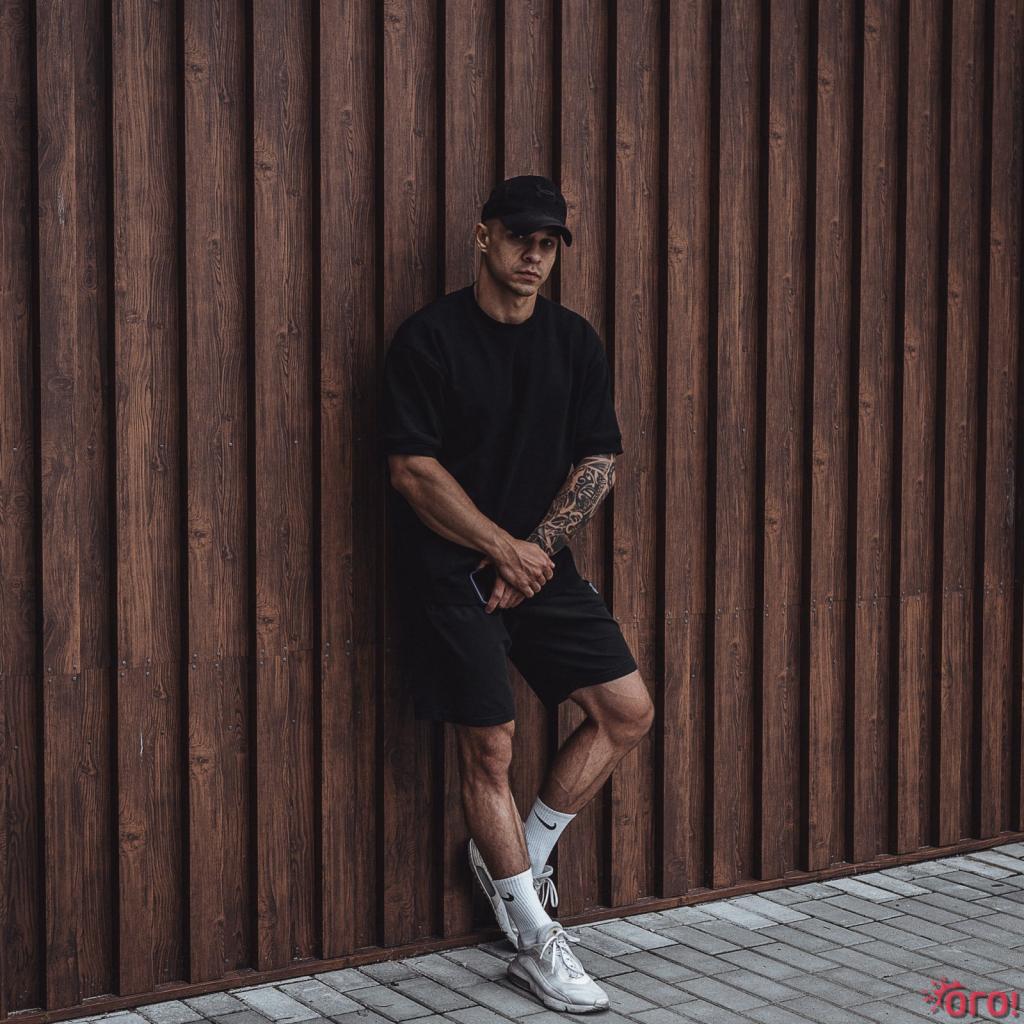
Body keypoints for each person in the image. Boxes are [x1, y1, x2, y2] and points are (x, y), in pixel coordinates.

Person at [380, 174, 655, 1014]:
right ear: (483, 237)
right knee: (491, 750)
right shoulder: (428, 340)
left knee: (626, 711)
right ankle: (535, 941)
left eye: (548, 244)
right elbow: (412, 471)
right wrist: (501, 549)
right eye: (519, 239)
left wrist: (534, 552)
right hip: (452, 573)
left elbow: (599, 459)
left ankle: (522, 856)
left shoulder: (572, 341)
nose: (533, 256)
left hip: (540, 563)